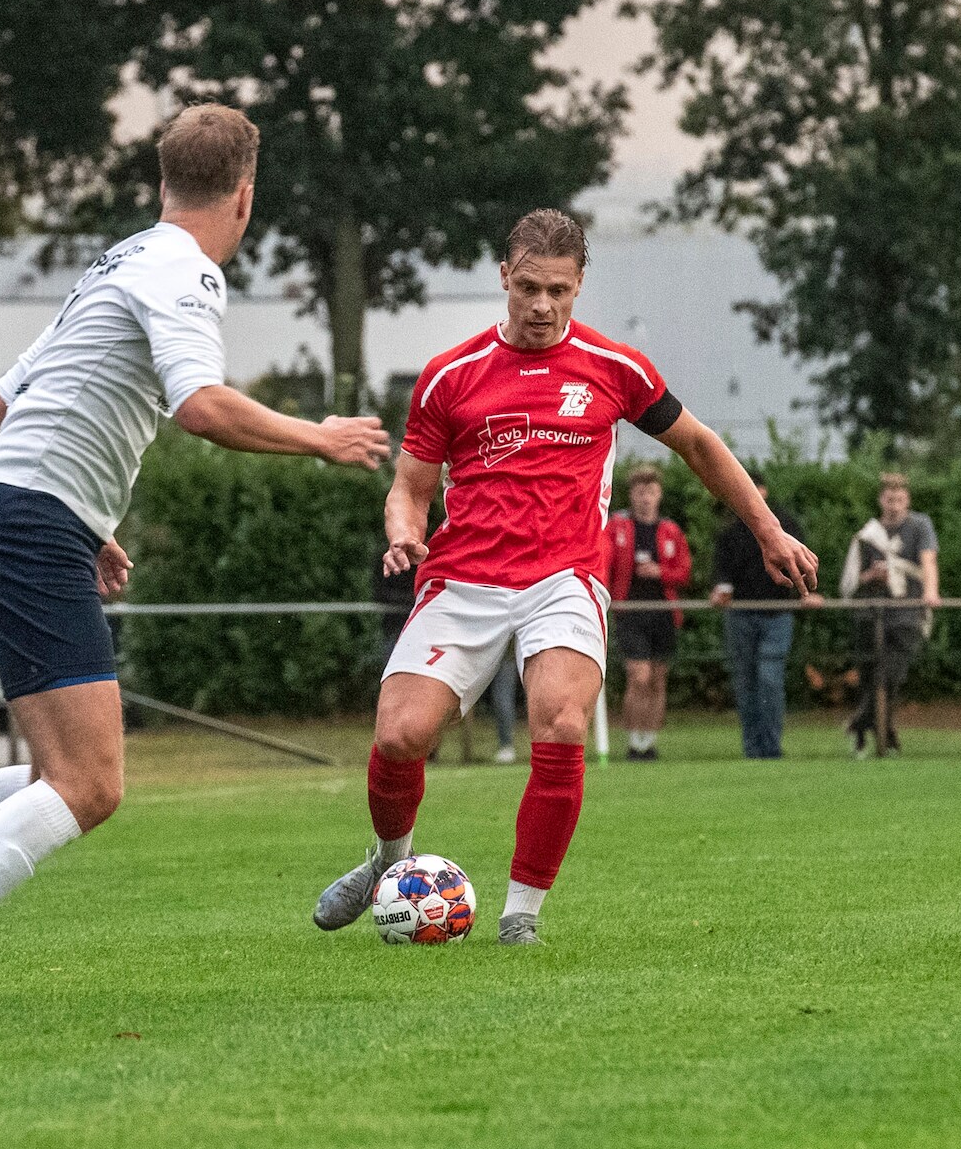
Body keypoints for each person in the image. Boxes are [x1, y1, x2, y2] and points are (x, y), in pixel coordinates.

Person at [0, 102, 389, 1004]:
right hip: (27, 523)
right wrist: (321, 437)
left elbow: (6, 406)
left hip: (4, 512)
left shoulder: (116, 261)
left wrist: (91, 521)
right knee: (92, 783)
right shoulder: (187, 270)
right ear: (244, 196)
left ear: (162, 184)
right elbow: (200, 406)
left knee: (52, 770)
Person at [312, 209, 817, 946]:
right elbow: (410, 486)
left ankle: (521, 917)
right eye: (527, 288)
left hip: (564, 579)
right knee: (399, 736)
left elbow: (700, 445)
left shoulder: (617, 369)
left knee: (560, 720)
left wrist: (768, 530)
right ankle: (390, 863)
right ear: (503, 280)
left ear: (580, 284)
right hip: (463, 579)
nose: (542, 306)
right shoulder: (450, 375)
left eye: (558, 290)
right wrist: (404, 536)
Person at [710, 471, 813, 759]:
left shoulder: (785, 526)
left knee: (769, 678)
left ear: (763, 491)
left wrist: (811, 592)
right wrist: (719, 590)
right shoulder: (729, 532)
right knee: (745, 682)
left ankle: (771, 748)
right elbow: (721, 574)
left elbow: (805, 559)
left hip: (778, 614)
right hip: (740, 615)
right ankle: (753, 751)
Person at [839, 472, 940, 757]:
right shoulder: (868, 535)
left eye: (899, 499)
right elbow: (853, 578)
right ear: (881, 500)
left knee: (890, 675)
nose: (894, 504)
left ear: (907, 500)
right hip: (873, 612)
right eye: (889, 499)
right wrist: (872, 575)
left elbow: (928, 560)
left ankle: (859, 725)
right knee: (871, 675)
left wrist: (930, 592)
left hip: (905, 612)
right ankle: (887, 736)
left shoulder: (919, 526)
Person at [604, 465, 692, 760]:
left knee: (657, 679)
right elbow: (604, 564)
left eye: (651, 492)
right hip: (630, 610)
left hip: (664, 612)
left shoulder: (670, 530)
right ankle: (634, 739)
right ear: (631, 495)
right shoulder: (617, 526)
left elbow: (684, 573)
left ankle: (650, 740)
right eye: (640, 492)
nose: (646, 498)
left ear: (659, 495)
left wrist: (660, 572)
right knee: (638, 676)